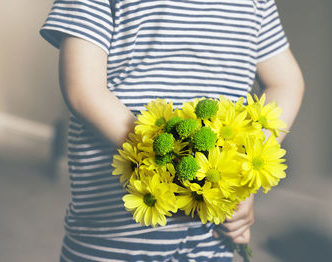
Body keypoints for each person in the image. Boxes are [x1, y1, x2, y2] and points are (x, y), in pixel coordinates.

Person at [40, 0, 304, 261]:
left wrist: (244, 169)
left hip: (211, 231)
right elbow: (83, 89)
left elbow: (286, 83)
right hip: (117, 229)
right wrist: (162, 158)